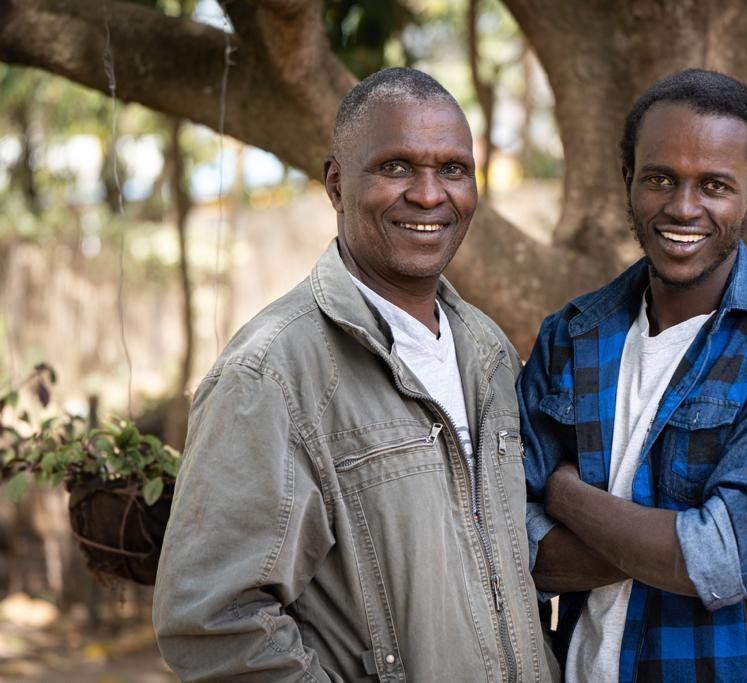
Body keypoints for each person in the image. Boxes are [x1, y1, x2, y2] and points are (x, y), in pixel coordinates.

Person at [153, 67, 558, 682]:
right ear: (336, 183)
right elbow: (212, 623)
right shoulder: (270, 375)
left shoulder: (489, 351)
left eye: (453, 169)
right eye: (396, 167)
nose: (429, 194)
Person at [518, 69, 747, 682]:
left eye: (715, 185)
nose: (683, 206)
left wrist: (567, 496)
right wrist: (671, 544)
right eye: (661, 179)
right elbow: (514, 547)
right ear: (629, 181)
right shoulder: (569, 336)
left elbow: (727, 559)